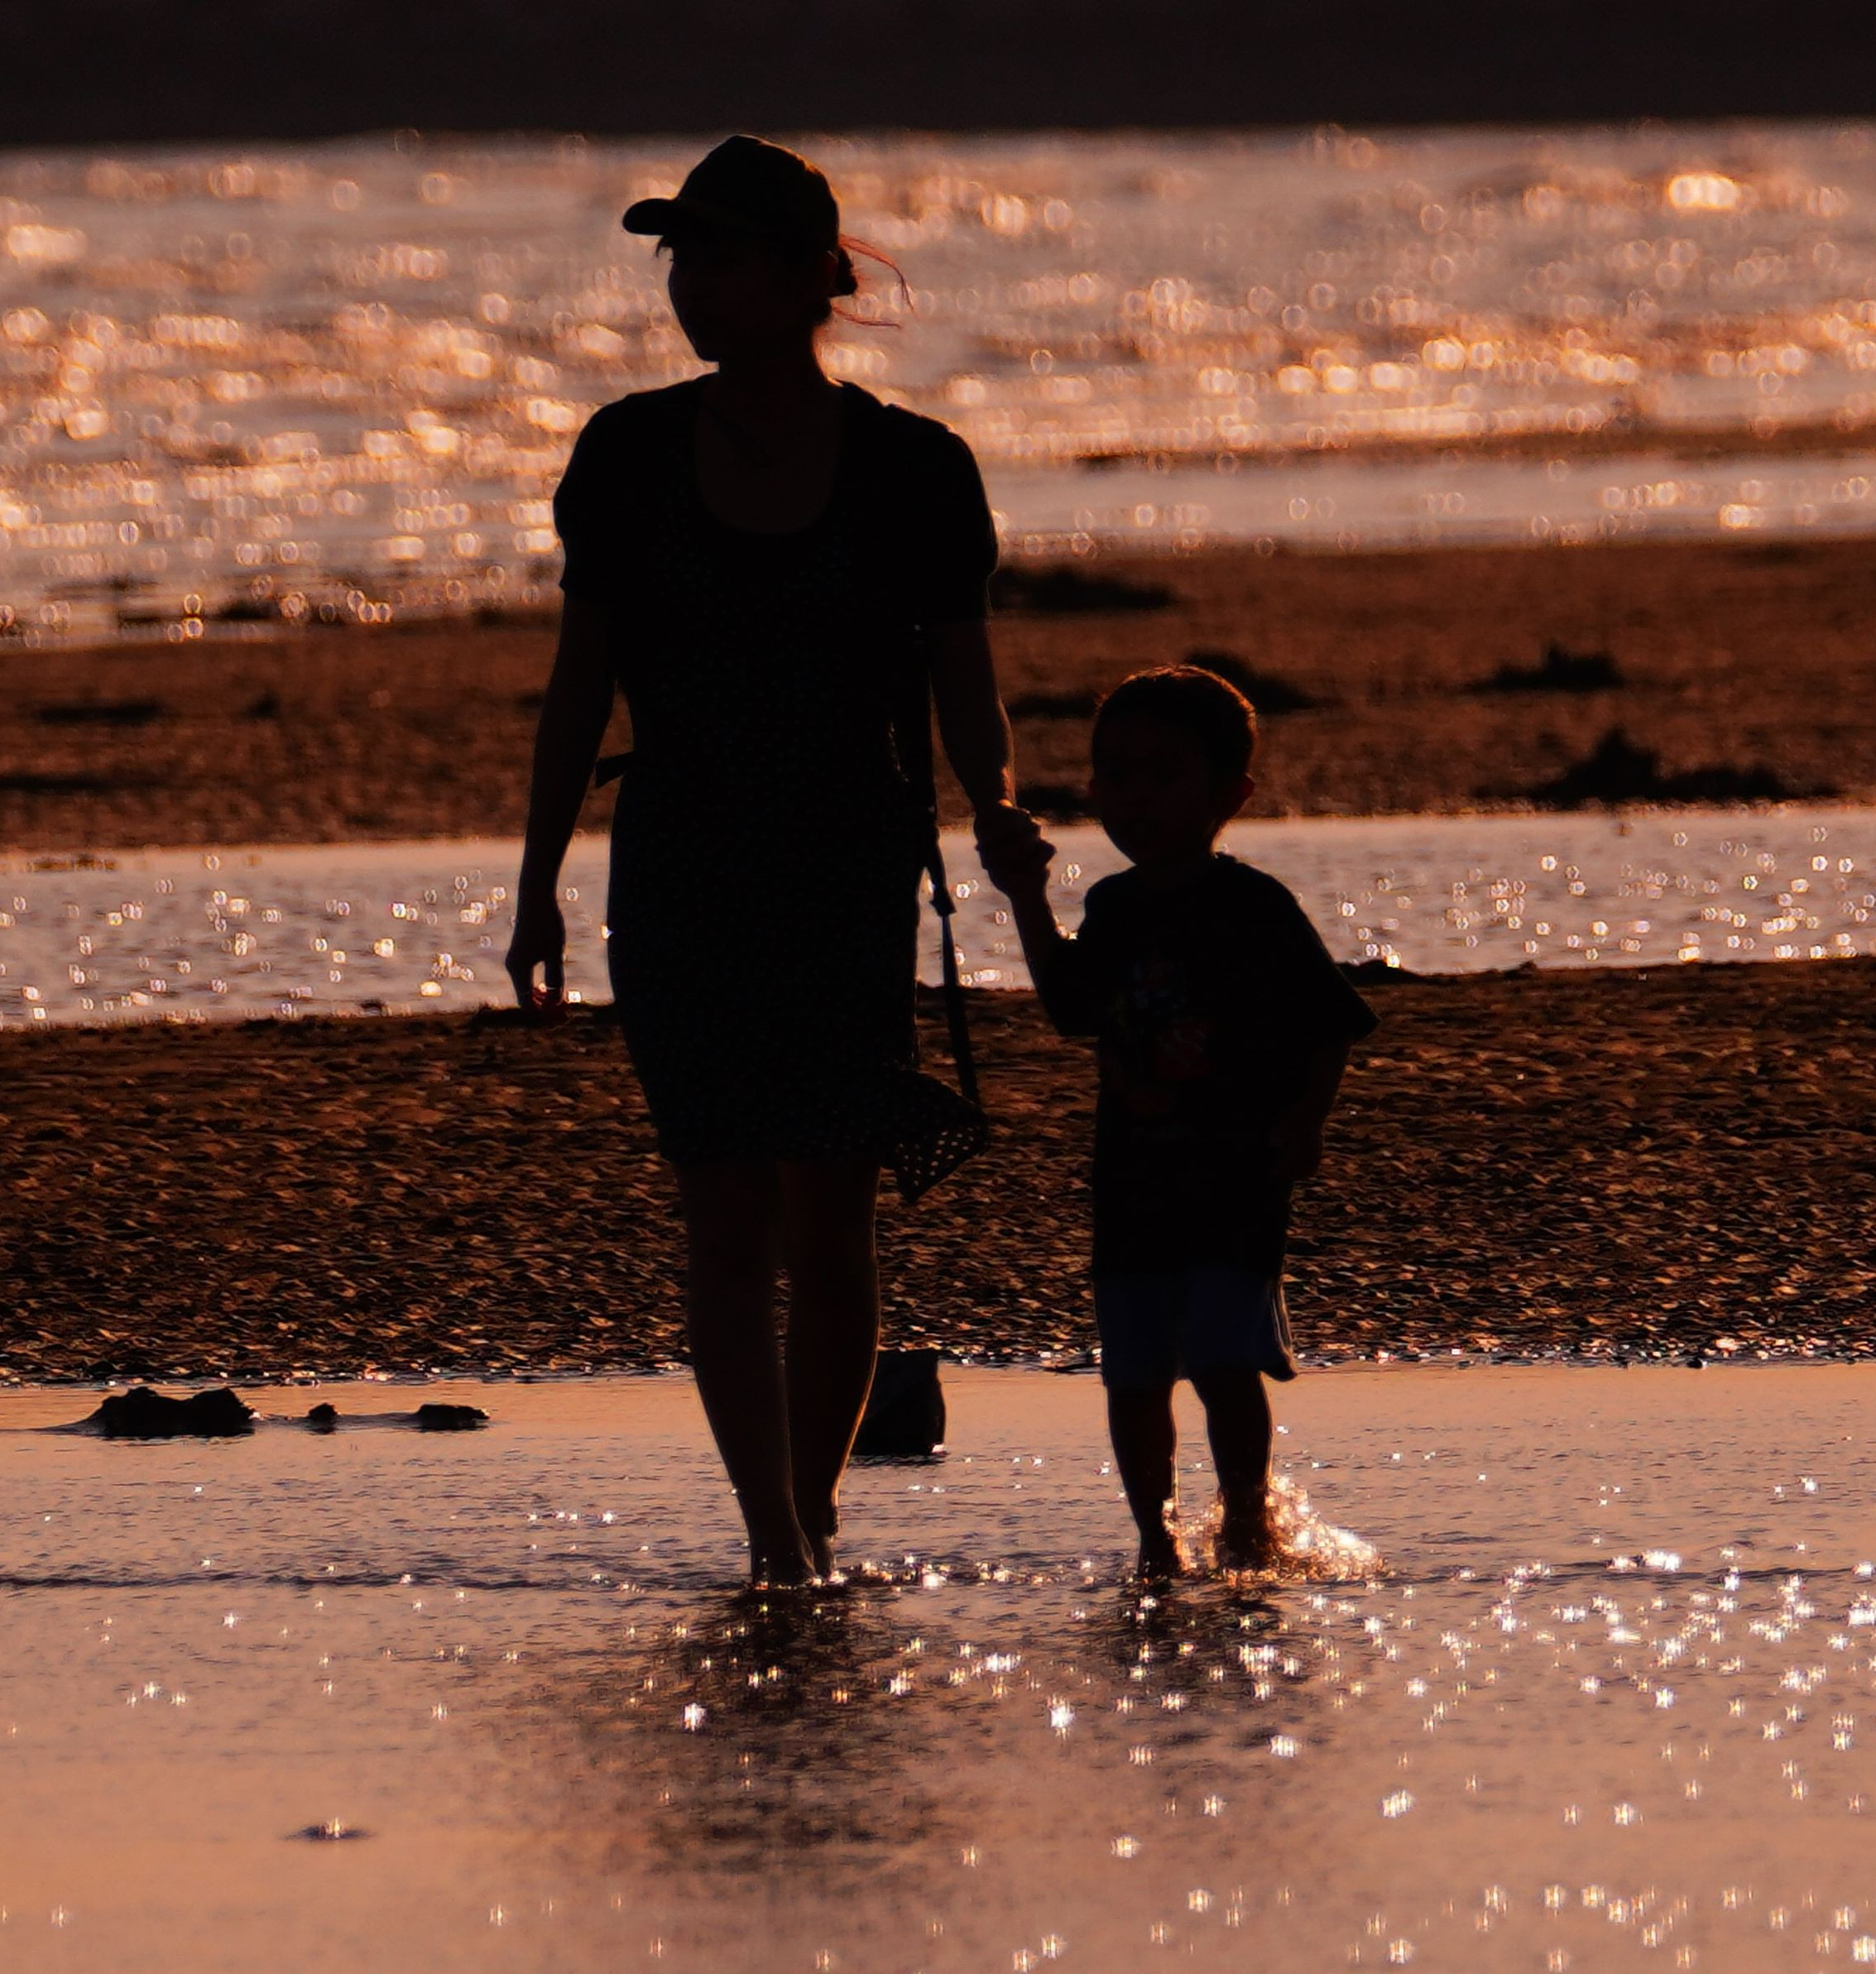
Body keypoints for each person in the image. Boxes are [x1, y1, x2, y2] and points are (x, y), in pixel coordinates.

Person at [504, 136, 1046, 1587]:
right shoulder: (626, 455)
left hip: (846, 868)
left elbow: (967, 688)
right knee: (725, 1213)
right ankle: (776, 1538)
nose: (694, 286)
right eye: (681, 260)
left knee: (832, 1216)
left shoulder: (916, 469)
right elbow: (579, 685)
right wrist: (537, 883)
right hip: (679, 868)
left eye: (724, 258)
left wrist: (997, 806)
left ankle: (814, 1508)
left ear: (816, 277)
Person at [977, 666, 1378, 1578]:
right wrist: (1027, 897)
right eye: (1116, 775)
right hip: (1134, 1179)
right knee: (1133, 1374)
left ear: (1228, 794)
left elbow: (1330, 1023)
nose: (1136, 798)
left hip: (1236, 1175)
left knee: (1224, 1361)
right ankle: (1155, 1543)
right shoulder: (1113, 906)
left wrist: (1307, 1123)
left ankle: (1247, 1523)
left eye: (1164, 775)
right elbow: (1072, 1009)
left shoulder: (1253, 906)